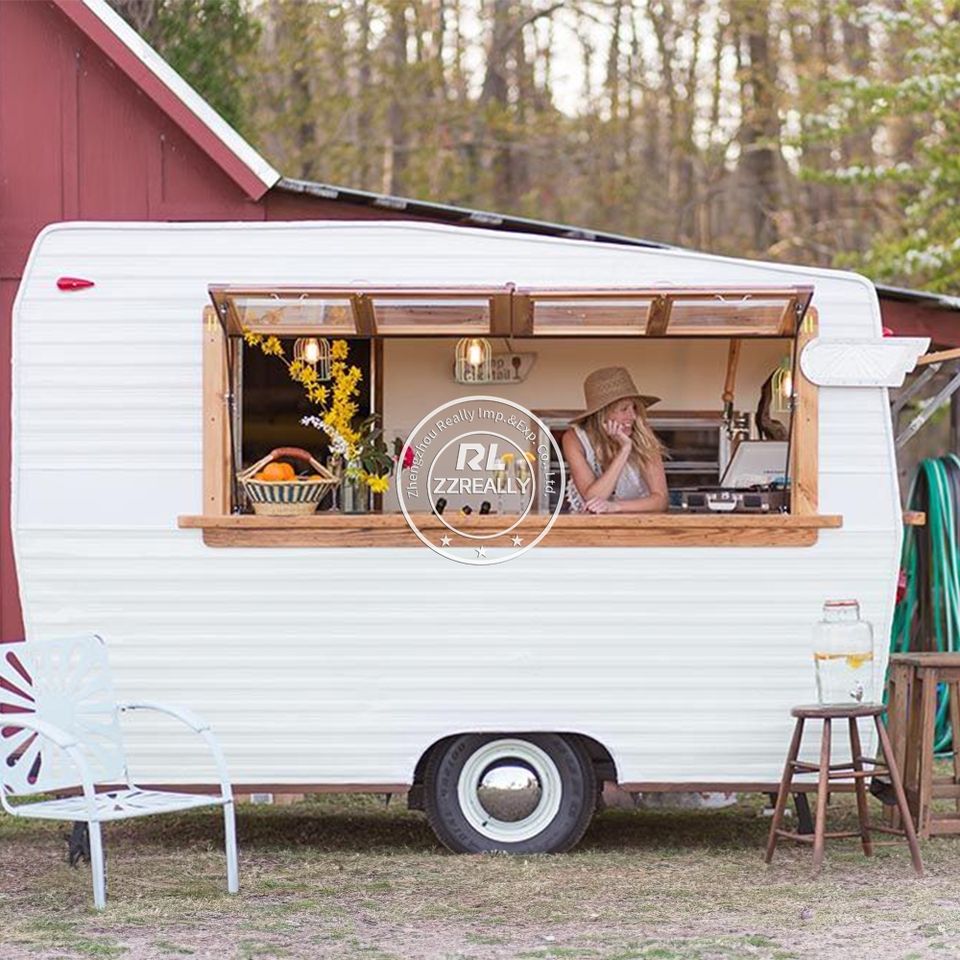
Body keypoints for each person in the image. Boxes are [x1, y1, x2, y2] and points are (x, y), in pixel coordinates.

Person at [562, 366, 669, 514]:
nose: (633, 416)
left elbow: (661, 500)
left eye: (634, 408)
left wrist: (616, 507)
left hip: (638, 524)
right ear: (602, 414)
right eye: (624, 409)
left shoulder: (642, 434)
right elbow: (593, 499)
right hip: (590, 526)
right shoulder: (574, 439)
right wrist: (624, 450)